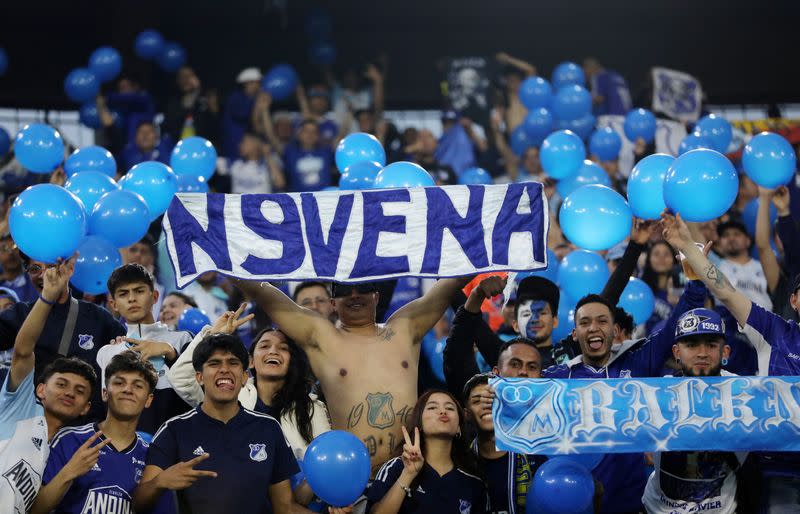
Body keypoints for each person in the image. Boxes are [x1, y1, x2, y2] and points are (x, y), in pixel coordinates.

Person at [235, 277, 468, 473]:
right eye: (345, 290)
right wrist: (220, 256)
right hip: (351, 480)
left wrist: (483, 281)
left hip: (412, 471)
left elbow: (450, 283)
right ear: (333, 303)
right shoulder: (322, 337)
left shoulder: (405, 328)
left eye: (364, 287)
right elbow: (263, 293)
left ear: (376, 296)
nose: (355, 295)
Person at [662, 210, 800, 512]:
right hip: (783, 471)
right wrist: (687, 246)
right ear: (794, 301)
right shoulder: (774, 332)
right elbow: (725, 292)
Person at [543, 268, 710, 513]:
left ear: (614, 330)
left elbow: (675, 325)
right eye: (585, 322)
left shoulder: (638, 362)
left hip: (631, 503)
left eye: (602, 321)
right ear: (575, 333)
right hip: (573, 502)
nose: (593, 328)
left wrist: (695, 281)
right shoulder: (556, 378)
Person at [133, 333, 339, 514]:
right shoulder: (174, 429)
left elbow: (284, 508)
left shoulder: (269, 428)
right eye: (214, 364)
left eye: (232, 363)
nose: (224, 370)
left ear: (244, 377)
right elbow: (138, 504)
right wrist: (160, 482)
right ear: (199, 377)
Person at [0, 259, 96, 513]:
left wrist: (69, 472)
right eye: (62, 384)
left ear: (86, 408)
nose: (69, 393)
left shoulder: (64, 451)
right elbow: (22, 351)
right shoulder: (19, 407)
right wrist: (47, 299)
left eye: (79, 391)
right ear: (40, 389)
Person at [32, 352, 175, 514]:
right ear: (105, 393)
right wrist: (69, 472)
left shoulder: (152, 458)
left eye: (138, 385)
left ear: (149, 400)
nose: (128, 389)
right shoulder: (69, 439)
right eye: (119, 383)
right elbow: (35, 509)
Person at [641, 308, 746, 514]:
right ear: (676, 353)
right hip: (656, 509)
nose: (702, 353)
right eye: (691, 345)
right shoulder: (656, 394)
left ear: (725, 352)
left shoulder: (745, 393)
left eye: (711, 345)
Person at [0, 252, 125, 417]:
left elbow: (130, 357)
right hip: (32, 423)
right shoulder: (21, 315)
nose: (45, 275)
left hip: (83, 429)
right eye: (35, 268)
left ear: (70, 269)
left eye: (52, 267)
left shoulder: (97, 318)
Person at [97, 264, 192, 433]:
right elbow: (103, 411)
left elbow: (197, 394)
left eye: (139, 291)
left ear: (154, 296)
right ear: (113, 304)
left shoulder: (182, 340)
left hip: (177, 448)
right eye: (123, 293)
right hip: (125, 451)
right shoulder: (106, 353)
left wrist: (171, 353)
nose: (132, 299)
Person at [366, 390, 488, 514]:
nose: (442, 411)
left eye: (450, 408)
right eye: (432, 407)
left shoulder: (474, 483)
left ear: (458, 427)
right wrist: (408, 475)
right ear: (420, 423)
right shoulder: (396, 467)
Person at [443, 275, 559, 397]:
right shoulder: (504, 355)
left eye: (542, 313)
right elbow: (472, 327)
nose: (535, 319)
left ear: (555, 320)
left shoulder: (570, 358)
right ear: (515, 325)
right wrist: (448, 277)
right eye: (526, 314)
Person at [464, 372, 546, 514]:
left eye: (493, 399)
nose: (487, 405)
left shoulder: (535, 453)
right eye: (477, 401)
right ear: (467, 414)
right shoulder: (462, 462)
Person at [714, 220, 773, 311]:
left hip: (765, 322)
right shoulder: (714, 265)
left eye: (737, 234)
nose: (731, 238)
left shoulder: (764, 267)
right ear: (720, 243)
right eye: (725, 235)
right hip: (728, 322)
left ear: (748, 241)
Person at [163, 65, 220, 142]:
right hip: (179, 145)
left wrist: (197, 91)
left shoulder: (206, 96)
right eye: (183, 77)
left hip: (204, 145)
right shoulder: (173, 101)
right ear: (178, 80)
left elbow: (215, 121)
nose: (186, 80)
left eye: (190, 76)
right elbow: (172, 125)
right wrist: (194, 93)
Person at [216, 131, 286, 194]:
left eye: (244, 142)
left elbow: (280, 183)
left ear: (256, 144)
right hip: (238, 207)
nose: (240, 145)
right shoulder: (235, 164)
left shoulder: (267, 165)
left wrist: (267, 155)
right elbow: (211, 163)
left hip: (260, 207)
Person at [281, 119, 336, 192]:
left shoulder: (326, 152)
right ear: (299, 134)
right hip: (298, 200)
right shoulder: (290, 153)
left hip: (323, 199)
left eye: (314, 132)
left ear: (318, 136)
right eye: (306, 131)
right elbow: (272, 139)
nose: (310, 135)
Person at [221, 67, 262, 159]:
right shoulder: (235, 98)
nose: (259, 86)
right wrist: (258, 105)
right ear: (247, 83)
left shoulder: (252, 99)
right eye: (257, 83)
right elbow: (242, 115)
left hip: (246, 148)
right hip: (233, 148)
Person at [641, 240, 681, 333]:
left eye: (666, 254)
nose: (661, 258)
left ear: (674, 260)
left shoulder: (682, 289)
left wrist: (676, 304)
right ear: (649, 259)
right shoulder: (641, 289)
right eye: (656, 254)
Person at [0, 232, 37, 302]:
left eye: (14, 246)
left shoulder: (36, 278)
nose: (10, 252)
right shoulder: (2, 288)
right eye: (4, 249)